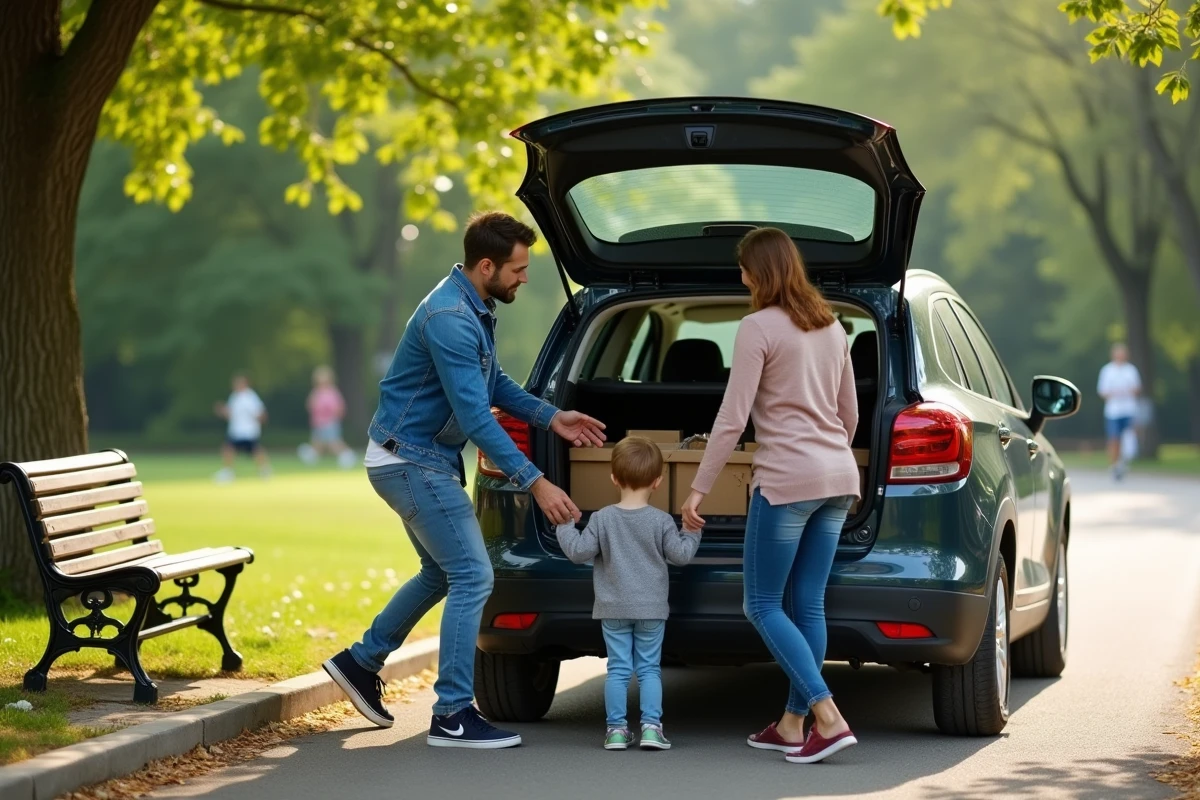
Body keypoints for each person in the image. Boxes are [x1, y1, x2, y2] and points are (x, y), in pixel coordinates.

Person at [322, 211, 606, 750]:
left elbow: (493, 383)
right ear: (486, 266)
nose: (525, 277)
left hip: (413, 458)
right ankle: (452, 713)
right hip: (411, 463)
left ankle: (360, 663)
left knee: (441, 572)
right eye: (518, 269)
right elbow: (476, 418)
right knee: (474, 575)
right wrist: (536, 482)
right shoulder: (451, 317)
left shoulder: (473, 306)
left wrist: (552, 417)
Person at [680, 227, 859, 765]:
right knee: (808, 604)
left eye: (743, 269)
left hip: (786, 481)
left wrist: (698, 489)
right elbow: (849, 413)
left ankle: (827, 716)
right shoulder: (833, 326)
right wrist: (828, 457)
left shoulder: (756, 327)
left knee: (760, 604)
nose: (741, 278)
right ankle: (791, 724)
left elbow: (732, 418)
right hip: (839, 478)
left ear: (758, 273)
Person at [556, 436, 702, 752]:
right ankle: (651, 729)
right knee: (649, 669)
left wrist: (565, 526)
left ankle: (616, 731)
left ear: (614, 478)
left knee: (618, 670)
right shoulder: (662, 521)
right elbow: (680, 555)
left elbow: (579, 552)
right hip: (651, 610)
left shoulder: (602, 518)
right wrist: (691, 531)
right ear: (658, 482)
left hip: (613, 609)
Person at [213, 373, 270, 483]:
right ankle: (228, 472)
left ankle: (264, 470)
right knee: (228, 449)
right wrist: (222, 411)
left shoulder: (250, 397)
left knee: (256, 450)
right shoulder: (234, 397)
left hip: (248, 431)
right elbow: (230, 414)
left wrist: (259, 419)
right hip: (236, 431)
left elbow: (260, 413)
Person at [1097, 342, 1142, 480]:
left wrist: (1127, 391)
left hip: (1129, 410)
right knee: (1114, 438)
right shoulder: (1107, 370)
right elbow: (1102, 391)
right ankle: (1114, 465)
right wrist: (1114, 393)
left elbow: (1137, 389)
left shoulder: (1131, 370)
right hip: (1113, 411)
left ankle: (1125, 461)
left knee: (1129, 438)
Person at [298, 365, 356, 469]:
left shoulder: (333, 392)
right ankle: (312, 457)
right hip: (318, 422)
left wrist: (334, 415)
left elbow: (339, 408)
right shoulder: (315, 392)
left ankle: (347, 456)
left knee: (333, 442)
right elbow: (310, 405)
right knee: (317, 442)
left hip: (330, 422)